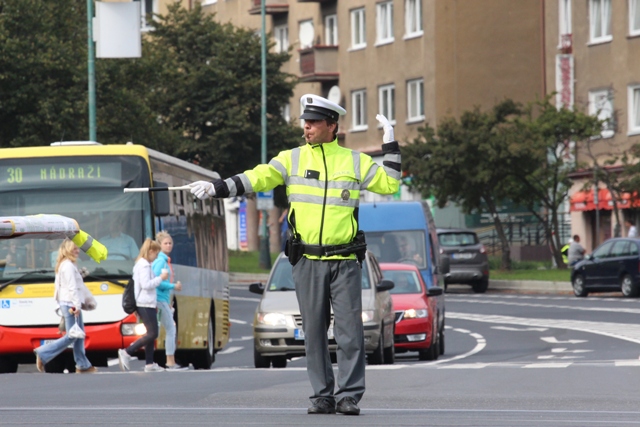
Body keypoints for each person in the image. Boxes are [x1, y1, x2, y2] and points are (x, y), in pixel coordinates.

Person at [189, 94, 400, 416]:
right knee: (313, 334)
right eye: (305, 122)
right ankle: (322, 396)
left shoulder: (355, 161)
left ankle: (348, 396)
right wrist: (218, 188)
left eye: (314, 122)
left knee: (350, 335)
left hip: (344, 261)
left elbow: (390, 185)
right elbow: (256, 177)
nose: (307, 128)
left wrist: (391, 146)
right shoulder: (291, 159)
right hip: (307, 261)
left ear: (332, 126)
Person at [33, 239, 97, 374]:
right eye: (75, 249)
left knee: (79, 335)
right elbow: (72, 288)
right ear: (68, 250)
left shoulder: (67, 264)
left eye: (77, 248)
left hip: (69, 303)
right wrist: (77, 306)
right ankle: (43, 353)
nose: (78, 251)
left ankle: (82, 365)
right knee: (72, 335)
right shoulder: (67, 265)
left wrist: (80, 275)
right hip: (70, 304)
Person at [117, 238, 169, 372]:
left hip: (145, 303)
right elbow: (146, 285)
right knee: (152, 333)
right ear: (150, 251)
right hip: (145, 303)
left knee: (150, 333)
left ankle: (149, 364)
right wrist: (160, 278)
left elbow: (137, 287)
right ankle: (127, 352)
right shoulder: (144, 265)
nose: (156, 257)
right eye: (156, 254)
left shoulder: (140, 264)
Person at [151, 231, 186, 370]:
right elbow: (157, 281)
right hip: (160, 299)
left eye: (170, 243)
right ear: (159, 245)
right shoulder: (160, 261)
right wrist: (174, 286)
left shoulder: (164, 260)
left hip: (162, 299)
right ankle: (170, 361)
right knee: (171, 329)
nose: (169, 245)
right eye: (165, 243)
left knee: (156, 331)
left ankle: (150, 360)